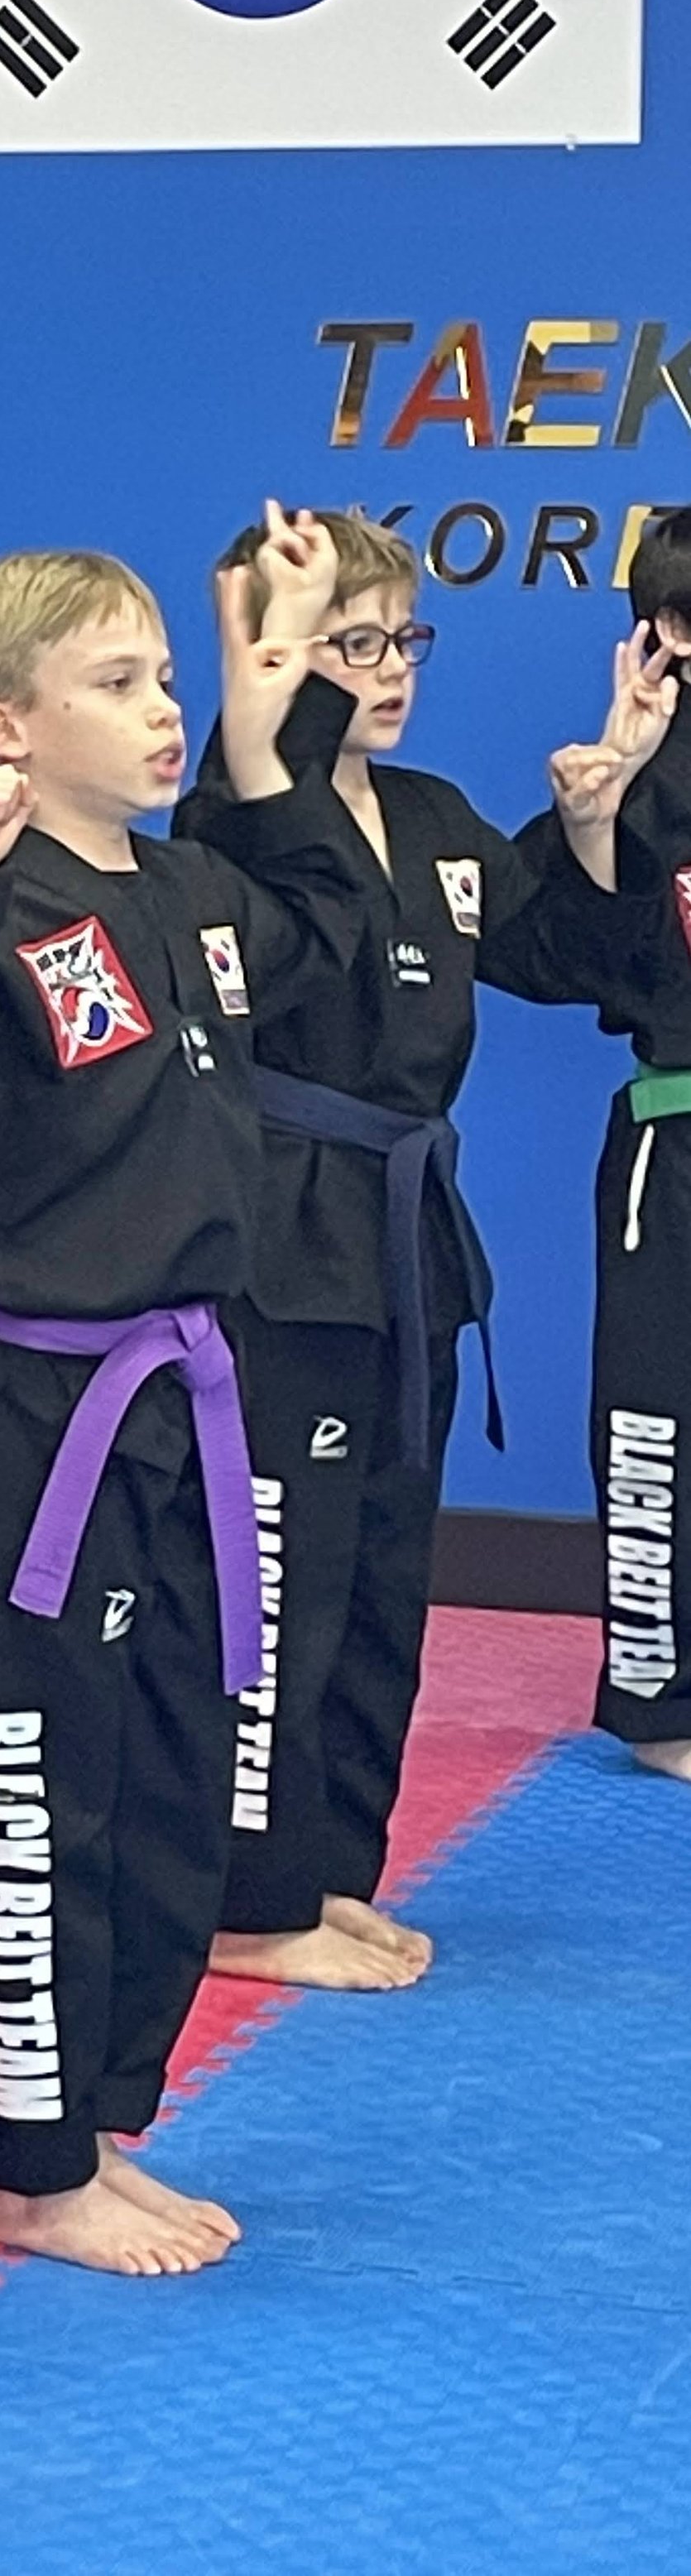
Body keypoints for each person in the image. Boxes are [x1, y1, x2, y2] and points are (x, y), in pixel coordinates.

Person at [0, 547, 370, 2277]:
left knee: (162, 1776)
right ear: (2, 725)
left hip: (182, 1399)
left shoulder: (188, 889)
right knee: (18, 1791)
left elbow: (335, 928)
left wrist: (266, 729)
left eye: (162, 678)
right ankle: (20, 2158)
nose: (161, 711)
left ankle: (90, 2116)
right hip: (30, 1414)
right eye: (119, 683)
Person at [175, 504, 649, 1988]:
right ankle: (249, 1898)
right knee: (282, 1574)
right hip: (285, 1236)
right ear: (275, 655)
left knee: (385, 1569)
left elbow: (562, 956)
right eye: (351, 643)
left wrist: (593, 819)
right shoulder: (234, 821)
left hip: (408, 1239)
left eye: (401, 642)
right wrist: (276, 707)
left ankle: (330, 1870)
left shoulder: (436, 820)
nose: (388, 671)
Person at [535, 506, 691, 1772]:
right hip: (677, 1148)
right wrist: (599, 817)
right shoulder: (636, 783)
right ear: (672, 631)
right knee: (658, 1427)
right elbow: (560, 958)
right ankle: (663, 1699)